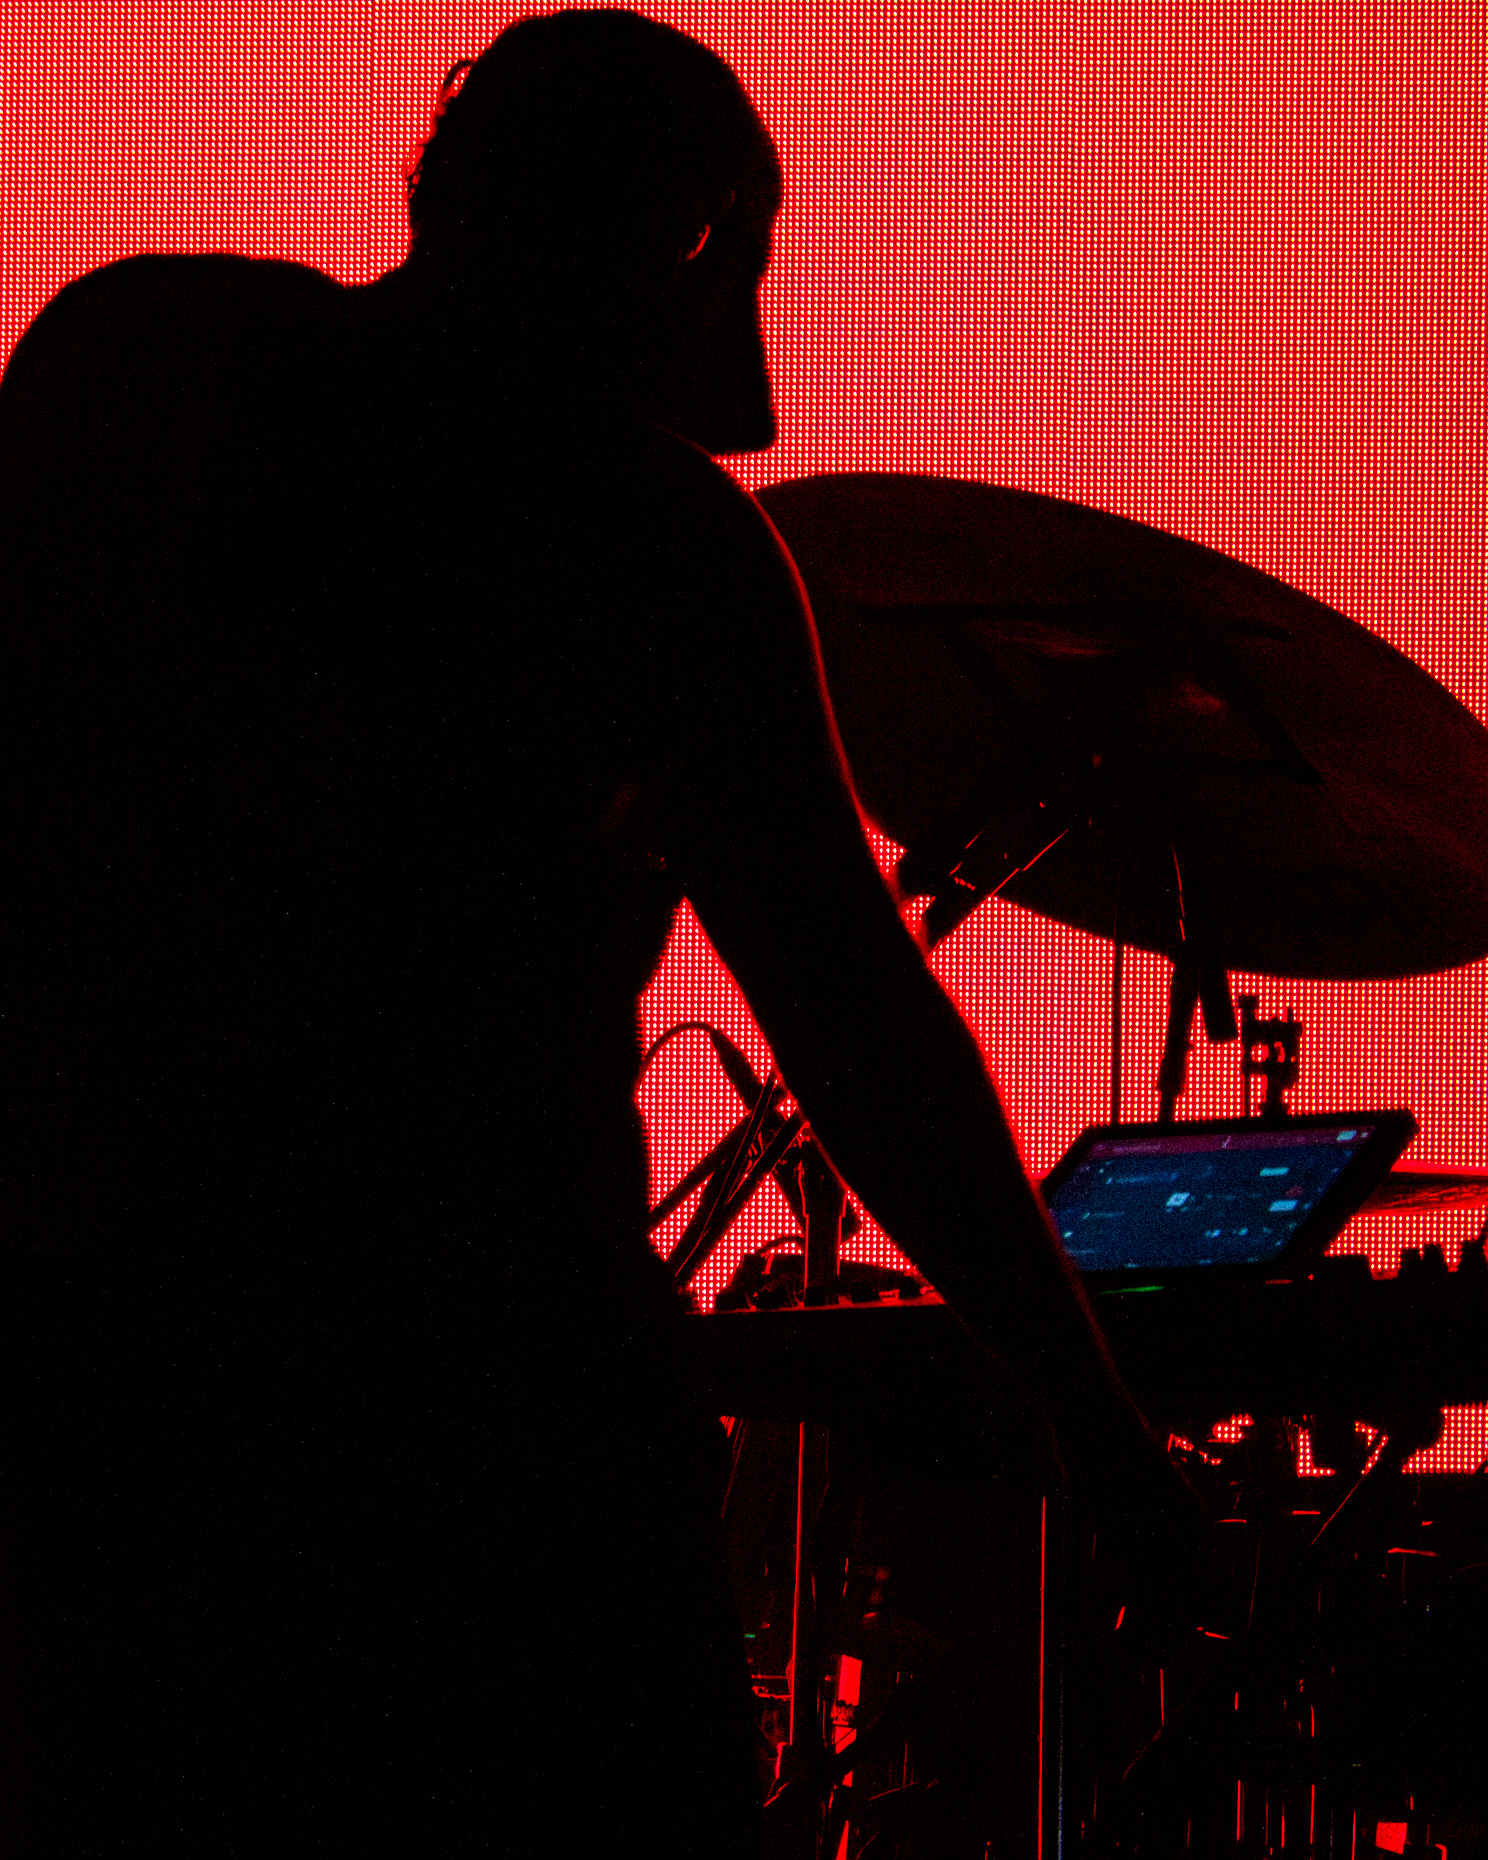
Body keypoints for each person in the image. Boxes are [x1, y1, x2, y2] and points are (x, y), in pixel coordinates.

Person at [0, 10, 1186, 1853]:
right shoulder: (650, 549)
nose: (755, 398)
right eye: (738, 268)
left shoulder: (135, 361)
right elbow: (853, 1013)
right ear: (679, 240)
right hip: (499, 1424)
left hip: (105, 1394)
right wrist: (1093, 1418)